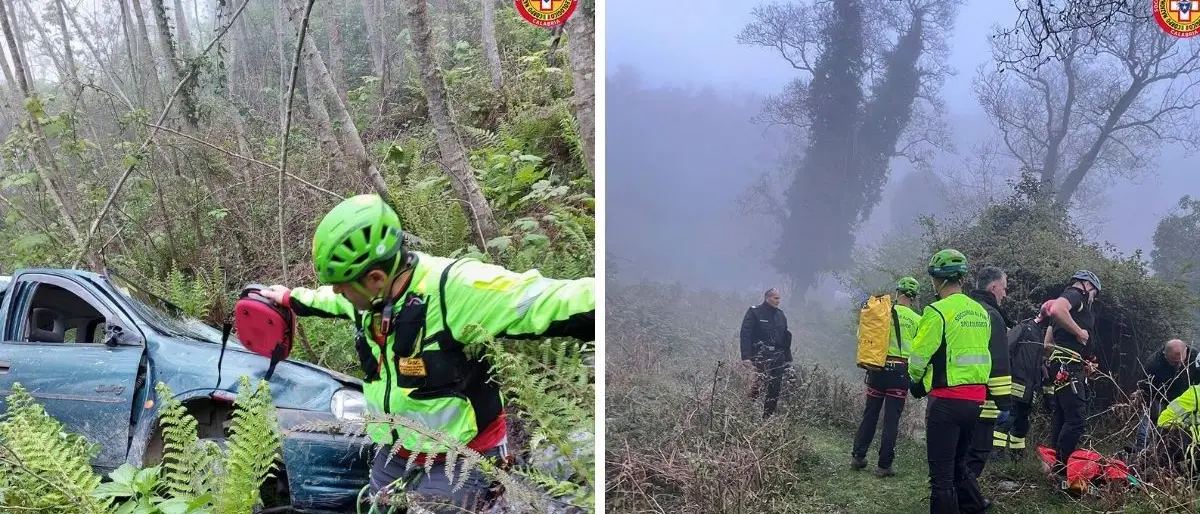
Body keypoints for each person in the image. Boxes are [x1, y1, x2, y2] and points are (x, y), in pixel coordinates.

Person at [256, 194, 595, 513]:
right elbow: (329, 301)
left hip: (461, 460)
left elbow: (548, 300)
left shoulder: (455, 288)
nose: (337, 292)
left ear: (375, 277)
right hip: (396, 450)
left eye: (342, 284)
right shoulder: (367, 298)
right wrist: (289, 298)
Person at [908, 249, 993, 514]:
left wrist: (916, 382)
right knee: (958, 463)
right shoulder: (980, 312)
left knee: (941, 476)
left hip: (946, 402)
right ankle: (975, 506)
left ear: (938, 280)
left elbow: (919, 357)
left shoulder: (937, 311)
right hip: (977, 400)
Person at [851, 277, 922, 477]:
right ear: (914, 297)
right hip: (900, 373)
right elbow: (921, 350)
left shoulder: (881, 312)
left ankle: (858, 456)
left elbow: (862, 335)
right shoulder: (918, 320)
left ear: (897, 292)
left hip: (877, 370)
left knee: (870, 414)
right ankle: (884, 466)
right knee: (891, 420)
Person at [1042, 270, 1101, 486]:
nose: (1094, 297)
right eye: (1095, 292)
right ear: (1087, 285)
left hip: (1063, 365)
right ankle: (1060, 470)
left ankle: (1054, 465)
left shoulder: (1068, 305)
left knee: (1062, 415)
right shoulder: (1075, 295)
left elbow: (1047, 345)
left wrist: (1083, 359)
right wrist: (1079, 332)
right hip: (1068, 367)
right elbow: (1058, 309)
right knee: (1076, 420)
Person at [965, 267, 1012, 478]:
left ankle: (955, 495)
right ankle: (965, 500)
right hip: (985, 401)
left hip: (956, 398)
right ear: (994, 287)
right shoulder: (993, 315)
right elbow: (999, 362)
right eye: (1004, 288)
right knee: (977, 453)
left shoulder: (965, 310)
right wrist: (1004, 403)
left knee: (959, 452)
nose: (1005, 293)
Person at [993, 315, 1048, 460]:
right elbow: (1006, 349)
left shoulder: (1040, 334)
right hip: (1016, 382)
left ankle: (1017, 458)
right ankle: (995, 456)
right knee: (1007, 420)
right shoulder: (1023, 328)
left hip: (1030, 387)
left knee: (1022, 424)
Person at [1135, 339, 1200, 451]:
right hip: (1161, 397)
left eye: (1181, 361)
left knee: (1184, 426)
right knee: (1149, 420)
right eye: (1174, 362)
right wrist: (1149, 404)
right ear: (1165, 356)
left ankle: (1173, 450)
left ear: (1186, 351)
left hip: (1185, 399)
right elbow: (1146, 386)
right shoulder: (1154, 363)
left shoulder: (1195, 358)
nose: (1178, 364)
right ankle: (1141, 450)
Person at [740, 287, 792, 419]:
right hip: (760, 354)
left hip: (778, 356)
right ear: (767, 298)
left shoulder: (781, 315)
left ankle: (767, 418)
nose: (778, 301)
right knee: (759, 383)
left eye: (779, 298)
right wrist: (746, 356)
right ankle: (745, 411)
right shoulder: (755, 312)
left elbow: (786, 338)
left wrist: (787, 358)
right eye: (776, 298)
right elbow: (745, 334)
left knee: (775, 388)